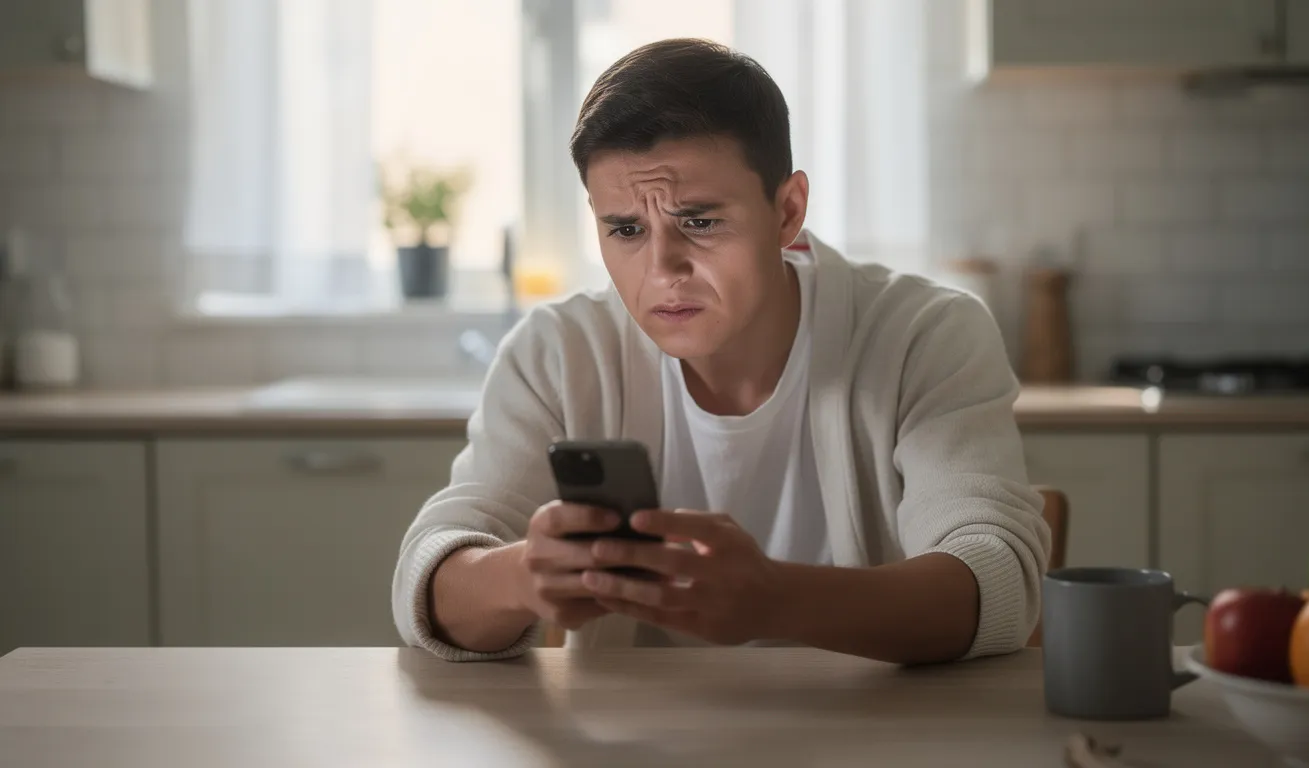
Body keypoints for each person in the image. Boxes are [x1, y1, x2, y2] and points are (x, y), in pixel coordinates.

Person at [392, 38, 1049, 665]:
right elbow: (429, 576)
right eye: (624, 228)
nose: (663, 269)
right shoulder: (558, 353)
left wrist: (777, 602)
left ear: (788, 211)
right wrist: (517, 578)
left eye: (699, 221)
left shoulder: (925, 336)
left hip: (875, 735)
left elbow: (999, 583)